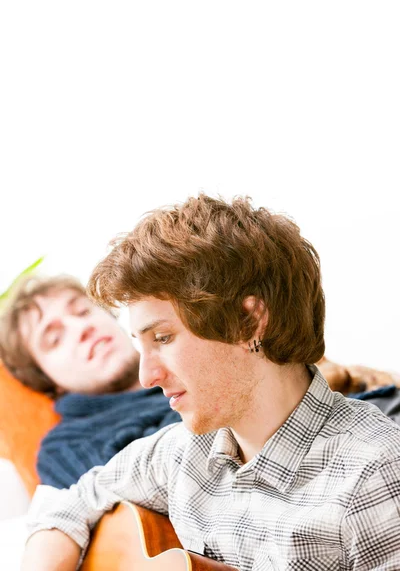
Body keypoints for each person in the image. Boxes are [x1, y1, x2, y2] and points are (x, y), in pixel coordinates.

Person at [20, 195, 400, 570]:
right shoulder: (181, 453)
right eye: (142, 343)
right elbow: (67, 504)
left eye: (163, 339)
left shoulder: (375, 476)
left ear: (249, 323)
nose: (146, 375)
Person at [0, 275, 180, 489]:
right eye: (55, 339)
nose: (81, 328)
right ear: (46, 380)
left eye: (83, 311)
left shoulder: (191, 362)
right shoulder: (64, 449)